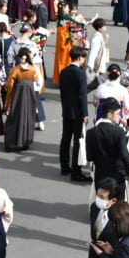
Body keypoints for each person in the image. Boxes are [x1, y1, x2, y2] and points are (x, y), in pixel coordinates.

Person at [86, 98, 129, 199]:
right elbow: (125, 155)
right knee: (117, 205)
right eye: (118, 113)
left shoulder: (90, 133)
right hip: (117, 175)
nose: (120, 117)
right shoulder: (119, 132)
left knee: (102, 201)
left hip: (100, 175)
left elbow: (89, 157)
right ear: (109, 114)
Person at [59, 47, 90, 182]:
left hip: (66, 110)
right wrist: (85, 114)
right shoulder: (80, 73)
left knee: (65, 139)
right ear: (80, 58)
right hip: (77, 112)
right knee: (78, 141)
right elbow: (82, 95)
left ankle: (64, 165)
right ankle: (76, 171)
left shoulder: (64, 72)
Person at [4, 47, 40, 152]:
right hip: (29, 95)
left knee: (14, 116)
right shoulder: (33, 69)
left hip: (17, 96)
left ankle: (12, 142)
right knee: (28, 117)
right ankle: (25, 141)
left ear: (20, 58)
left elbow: (9, 85)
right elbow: (37, 83)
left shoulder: (15, 69)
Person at [86, 178, 119, 258]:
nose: (98, 199)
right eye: (97, 195)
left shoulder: (119, 217)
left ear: (113, 200)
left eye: (102, 197)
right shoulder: (94, 207)